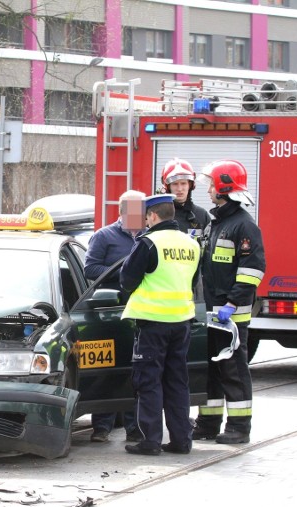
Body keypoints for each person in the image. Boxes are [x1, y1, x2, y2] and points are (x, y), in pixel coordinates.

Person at [119, 193, 201, 456]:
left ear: (153, 216)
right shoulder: (191, 244)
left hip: (153, 323)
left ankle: (150, 441)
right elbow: (193, 280)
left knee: (149, 382)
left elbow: (127, 280)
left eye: (146, 216)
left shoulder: (149, 243)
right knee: (178, 382)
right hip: (182, 322)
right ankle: (181, 440)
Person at [192, 160, 266, 444]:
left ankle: (239, 427)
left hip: (230, 316)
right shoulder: (216, 224)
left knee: (233, 370)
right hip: (210, 312)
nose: (208, 190)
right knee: (210, 369)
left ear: (224, 188)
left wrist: (233, 304)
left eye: (211, 185)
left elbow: (253, 269)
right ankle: (208, 423)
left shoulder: (244, 226)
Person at [84, 189, 146, 443]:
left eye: (141, 212)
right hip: (110, 311)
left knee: (136, 370)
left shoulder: (149, 238)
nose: (137, 217)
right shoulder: (104, 236)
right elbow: (90, 268)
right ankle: (102, 426)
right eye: (132, 211)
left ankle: (134, 427)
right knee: (108, 368)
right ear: (120, 211)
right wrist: (124, 271)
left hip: (142, 311)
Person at [160, 158, 210, 238]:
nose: (179, 189)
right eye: (175, 184)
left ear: (190, 185)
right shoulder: (158, 215)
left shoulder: (201, 215)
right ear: (168, 187)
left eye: (183, 183)